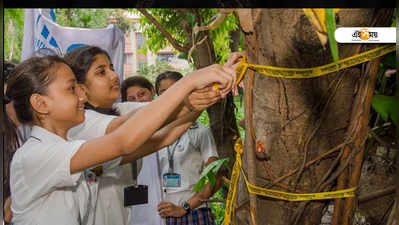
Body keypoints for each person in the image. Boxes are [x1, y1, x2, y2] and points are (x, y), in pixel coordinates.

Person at [6, 55, 235, 225]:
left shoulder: (67, 150)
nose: (81, 95)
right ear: (40, 103)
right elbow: (123, 141)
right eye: (71, 89)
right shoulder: (35, 155)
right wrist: (188, 82)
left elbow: (157, 140)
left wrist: (196, 102)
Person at [64, 46, 222, 225]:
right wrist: (190, 82)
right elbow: (128, 130)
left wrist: (203, 96)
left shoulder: (120, 109)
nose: (114, 76)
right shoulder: (80, 124)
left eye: (112, 68)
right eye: (101, 72)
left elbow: (164, 128)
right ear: (81, 89)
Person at [155, 71, 223, 225]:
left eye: (175, 89)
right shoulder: (154, 135)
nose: (169, 96)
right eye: (163, 92)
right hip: (161, 216)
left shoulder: (200, 131)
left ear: (186, 92)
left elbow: (215, 178)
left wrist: (184, 207)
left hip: (193, 213)